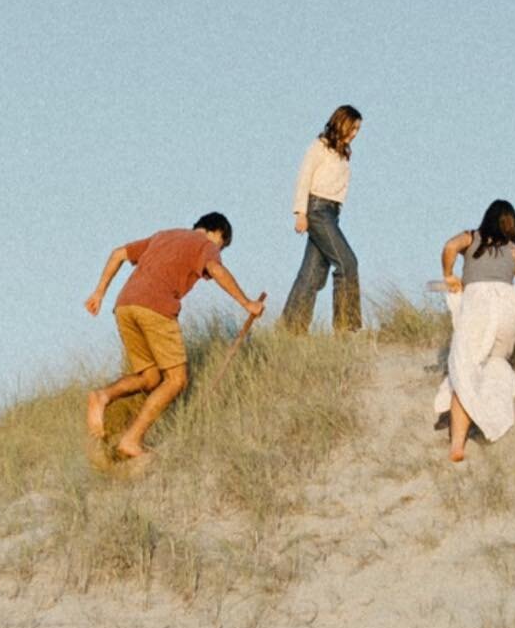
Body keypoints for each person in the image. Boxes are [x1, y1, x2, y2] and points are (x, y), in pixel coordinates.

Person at [84, 213, 265, 462]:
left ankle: (102, 396)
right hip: (156, 307)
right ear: (217, 233)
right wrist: (247, 303)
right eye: (221, 244)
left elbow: (118, 253)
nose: (218, 249)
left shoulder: (163, 236)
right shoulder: (205, 245)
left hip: (125, 305)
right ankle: (131, 439)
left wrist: (99, 293)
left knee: (150, 378)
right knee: (176, 380)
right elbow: (215, 268)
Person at [434, 201, 515, 462]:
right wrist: (508, 298)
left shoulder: (472, 238)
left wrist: (449, 275)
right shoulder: (514, 250)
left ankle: (457, 444)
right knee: (495, 363)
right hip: (508, 309)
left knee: (464, 369)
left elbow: (449, 246)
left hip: (478, 304)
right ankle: (492, 415)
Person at [282, 104, 363, 333]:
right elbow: (304, 177)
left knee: (312, 273)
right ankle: (346, 327)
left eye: (358, 129)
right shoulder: (319, 146)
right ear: (341, 123)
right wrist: (300, 213)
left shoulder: (341, 153)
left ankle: (291, 328)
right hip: (317, 210)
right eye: (353, 127)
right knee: (347, 263)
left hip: (332, 213)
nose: (355, 133)